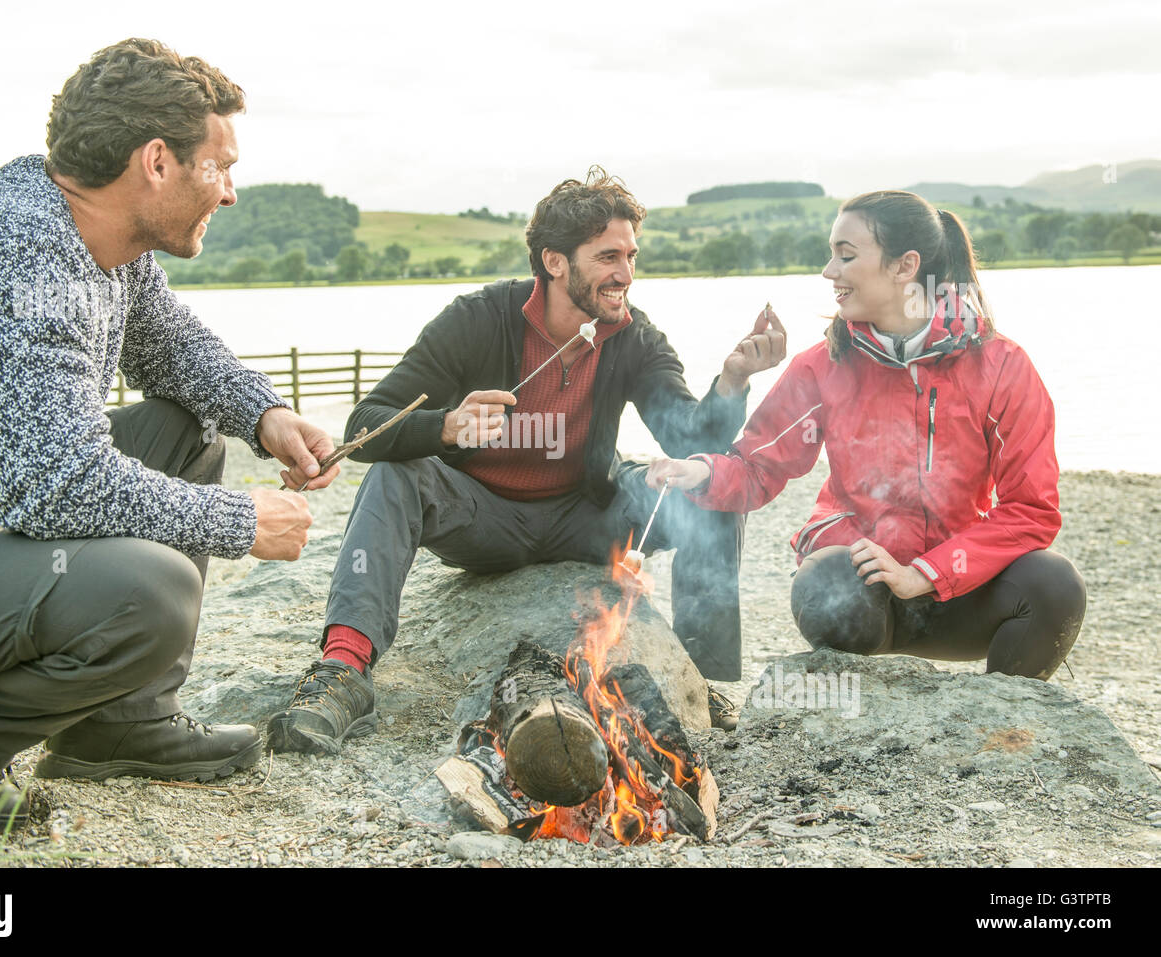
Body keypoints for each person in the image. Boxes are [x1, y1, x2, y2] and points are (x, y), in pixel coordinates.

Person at [0, 38, 337, 833]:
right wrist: (241, 522)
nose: (229, 192)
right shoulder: (18, 246)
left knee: (187, 433)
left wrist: (267, 414)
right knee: (148, 591)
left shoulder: (95, 234)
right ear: (157, 161)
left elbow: (173, 347)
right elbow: (55, 485)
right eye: (220, 166)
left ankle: (116, 722)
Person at [265, 168, 787, 756]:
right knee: (395, 474)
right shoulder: (478, 318)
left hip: (586, 516)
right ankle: (343, 672)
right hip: (484, 521)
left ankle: (696, 678)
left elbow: (693, 434)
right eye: (607, 256)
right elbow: (367, 424)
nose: (625, 274)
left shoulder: (633, 335)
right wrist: (444, 425)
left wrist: (736, 378)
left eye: (632, 255)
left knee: (709, 488)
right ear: (555, 262)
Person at [647, 190, 1086, 681]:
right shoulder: (822, 365)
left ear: (905, 267)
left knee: (1055, 585)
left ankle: (1002, 719)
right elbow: (757, 468)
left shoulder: (1002, 366)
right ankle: (861, 711)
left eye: (846, 255)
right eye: (831, 253)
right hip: (866, 600)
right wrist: (700, 471)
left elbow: (1031, 510)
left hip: (963, 592)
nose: (828, 271)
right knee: (824, 583)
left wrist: (925, 573)